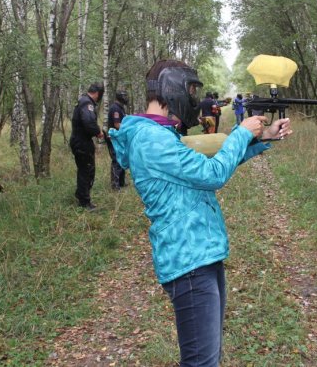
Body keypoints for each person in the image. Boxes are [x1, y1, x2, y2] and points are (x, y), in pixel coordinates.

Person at [108, 60, 291, 367]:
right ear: (172, 89)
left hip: (201, 255)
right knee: (201, 363)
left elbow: (203, 170)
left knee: (207, 358)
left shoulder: (160, 134)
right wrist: (242, 133)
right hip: (188, 261)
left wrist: (261, 138)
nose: (194, 99)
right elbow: (212, 175)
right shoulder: (151, 139)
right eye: (191, 90)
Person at [70, 82, 104, 210]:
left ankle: (81, 195)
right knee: (87, 171)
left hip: (80, 141)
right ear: (97, 93)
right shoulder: (87, 103)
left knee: (84, 170)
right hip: (82, 142)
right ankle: (84, 202)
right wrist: (98, 132)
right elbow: (89, 122)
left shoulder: (83, 101)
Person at [106, 89, 128, 190]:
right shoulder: (115, 108)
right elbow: (117, 124)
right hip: (114, 138)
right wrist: (128, 127)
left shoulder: (120, 108)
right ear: (120, 97)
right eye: (124, 96)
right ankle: (115, 185)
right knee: (116, 160)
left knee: (121, 159)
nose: (126, 98)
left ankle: (121, 182)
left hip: (119, 138)